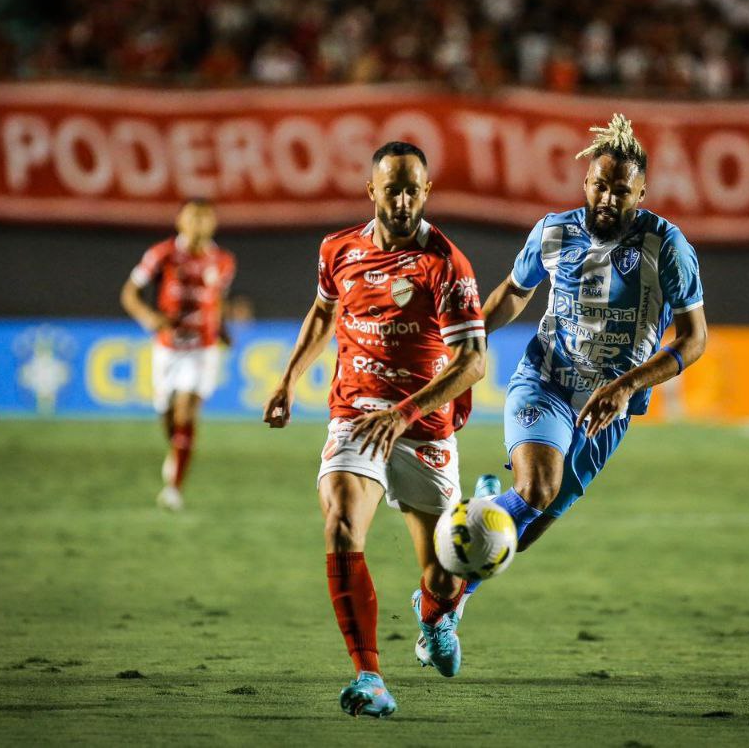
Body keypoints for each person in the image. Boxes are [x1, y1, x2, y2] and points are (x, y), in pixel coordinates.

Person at [262, 141, 487, 719]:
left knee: (443, 569)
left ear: (427, 191)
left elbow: (472, 363)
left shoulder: (447, 263)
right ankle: (370, 676)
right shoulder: (337, 249)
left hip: (422, 428)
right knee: (340, 522)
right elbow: (322, 312)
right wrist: (288, 380)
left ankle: (436, 613)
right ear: (372, 191)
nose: (405, 200)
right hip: (356, 416)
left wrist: (405, 413)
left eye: (414, 189)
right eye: (394, 189)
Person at [458, 113, 707, 615]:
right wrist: (470, 341)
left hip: (608, 410)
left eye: (621, 190)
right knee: (535, 488)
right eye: (599, 185)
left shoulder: (668, 247)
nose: (608, 199)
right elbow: (514, 291)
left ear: (641, 194)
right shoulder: (552, 232)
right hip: (546, 381)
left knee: (522, 533)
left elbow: (695, 337)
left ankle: (481, 515)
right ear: (585, 182)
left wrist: (624, 387)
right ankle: (441, 608)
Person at [120, 199, 236, 511]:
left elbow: (216, 302)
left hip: (203, 348)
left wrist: (223, 329)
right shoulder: (162, 254)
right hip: (168, 348)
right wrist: (150, 318)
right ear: (180, 222)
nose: (199, 224)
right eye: (193, 217)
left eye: (204, 218)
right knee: (167, 415)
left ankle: (174, 489)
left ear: (213, 224)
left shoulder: (223, 261)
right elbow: (129, 294)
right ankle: (177, 451)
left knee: (187, 410)